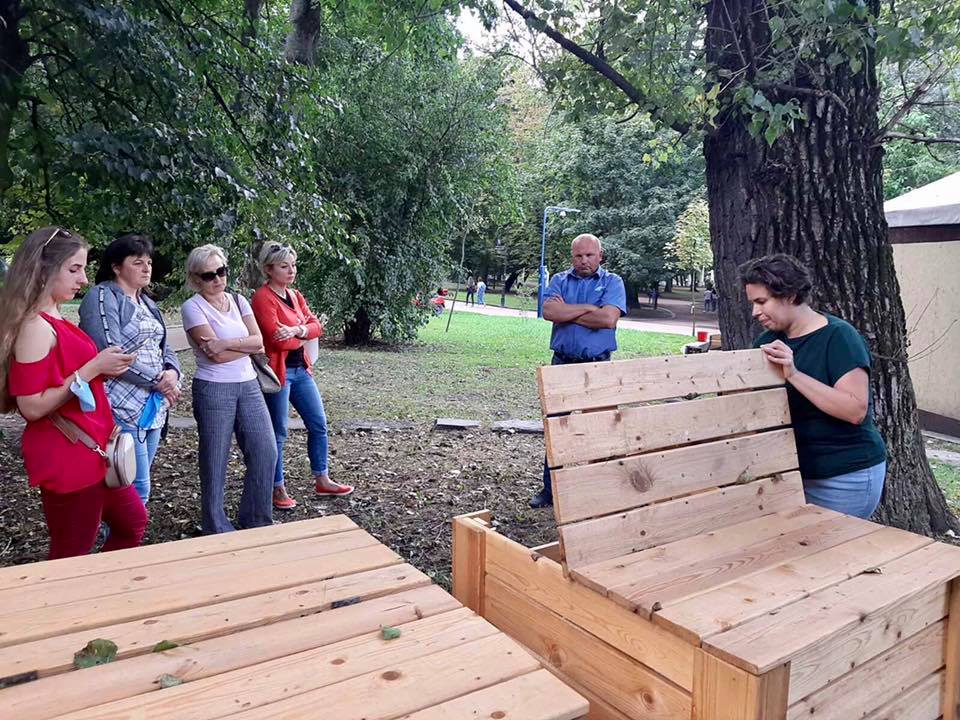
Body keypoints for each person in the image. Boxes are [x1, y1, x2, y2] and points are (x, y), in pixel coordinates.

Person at [0, 226, 147, 559]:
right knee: (71, 554)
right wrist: (93, 368)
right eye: (74, 269)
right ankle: (65, 607)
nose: (83, 279)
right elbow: (32, 407)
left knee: (132, 522)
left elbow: (68, 378)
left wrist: (101, 370)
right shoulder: (35, 326)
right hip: (69, 455)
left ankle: (99, 596)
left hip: (92, 450)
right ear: (42, 268)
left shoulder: (55, 315)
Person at [740, 254, 887, 519]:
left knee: (832, 555)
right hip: (792, 474)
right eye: (753, 303)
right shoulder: (768, 341)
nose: (755, 312)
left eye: (762, 302)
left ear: (791, 294)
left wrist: (793, 374)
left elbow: (854, 410)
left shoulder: (839, 336)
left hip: (844, 476)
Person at [79, 234, 182, 505]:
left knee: (133, 483)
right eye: (138, 262)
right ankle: (119, 545)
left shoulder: (147, 302)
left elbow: (163, 346)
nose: (147, 268)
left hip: (152, 407)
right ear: (116, 266)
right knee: (134, 488)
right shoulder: (102, 296)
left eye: (148, 262)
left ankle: (118, 539)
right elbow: (111, 352)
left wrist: (172, 372)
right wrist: (159, 381)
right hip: (120, 406)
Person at [180, 244, 276, 534]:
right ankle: (216, 525)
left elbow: (259, 342)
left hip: (248, 384)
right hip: (214, 387)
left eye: (221, 271)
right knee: (214, 458)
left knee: (265, 450)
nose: (217, 279)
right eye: (209, 275)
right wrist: (238, 345)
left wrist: (224, 342)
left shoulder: (238, 300)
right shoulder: (192, 307)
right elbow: (215, 356)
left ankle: (256, 519)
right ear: (196, 278)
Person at [251, 242, 353, 510]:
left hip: (302, 370)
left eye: (293, 265)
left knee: (318, 423)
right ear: (269, 269)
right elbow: (276, 339)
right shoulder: (262, 298)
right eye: (284, 266)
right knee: (279, 432)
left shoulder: (295, 296)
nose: (291, 270)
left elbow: (317, 327)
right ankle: (276, 486)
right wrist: (303, 332)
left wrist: (297, 330)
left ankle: (322, 478)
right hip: (278, 373)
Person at [530, 233, 627, 508]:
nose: (583, 261)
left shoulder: (613, 282)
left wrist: (569, 311)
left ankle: (593, 490)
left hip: (596, 367)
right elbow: (549, 312)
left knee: (597, 429)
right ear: (572, 256)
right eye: (578, 255)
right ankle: (550, 491)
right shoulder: (559, 280)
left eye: (589, 255)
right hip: (561, 365)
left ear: (600, 255)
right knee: (555, 429)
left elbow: (608, 319)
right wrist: (588, 309)